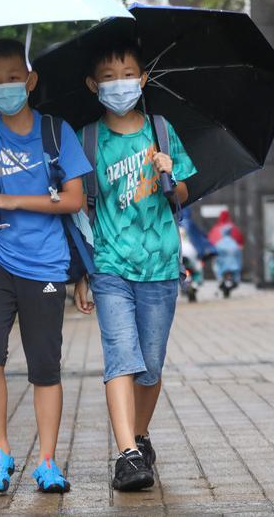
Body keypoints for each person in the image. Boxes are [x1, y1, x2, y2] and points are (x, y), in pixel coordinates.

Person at [0, 38, 91, 495]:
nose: (6, 87)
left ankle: (48, 461)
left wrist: (15, 199)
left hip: (46, 265)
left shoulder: (57, 132)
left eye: (14, 78)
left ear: (30, 81)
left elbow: (74, 197)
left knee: (45, 368)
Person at [72, 37, 196, 491]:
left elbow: (182, 194)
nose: (119, 84)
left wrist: (171, 174)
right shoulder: (87, 140)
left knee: (151, 367)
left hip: (161, 264)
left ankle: (140, 435)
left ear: (143, 80)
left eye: (127, 75)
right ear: (93, 85)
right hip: (109, 266)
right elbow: (81, 209)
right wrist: (82, 274)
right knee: (120, 357)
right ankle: (126, 454)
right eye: (108, 78)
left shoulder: (162, 130)